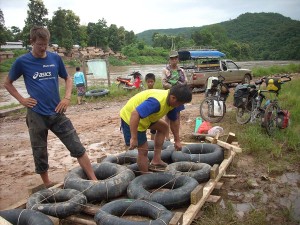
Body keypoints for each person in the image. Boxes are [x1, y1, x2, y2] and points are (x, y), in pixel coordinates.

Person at [3, 26, 97, 187]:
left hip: (57, 111)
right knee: (39, 150)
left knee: (76, 145)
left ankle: (94, 179)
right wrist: (22, 100)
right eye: (39, 44)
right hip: (36, 114)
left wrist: (67, 98)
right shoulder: (22, 62)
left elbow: (67, 78)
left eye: (45, 44)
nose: (43, 48)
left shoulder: (55, 59)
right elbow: (7, 83)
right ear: (32, 42)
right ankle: (47, 183)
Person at [120, 84, 192, 173]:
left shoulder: (173, 102)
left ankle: (156, 160)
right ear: (173, 98)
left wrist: (177, 140)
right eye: (180, 104)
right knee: (143, 150)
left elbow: (174, 121)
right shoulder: (156, 102)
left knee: (164, 127)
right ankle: (145, 177)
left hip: (147, 117)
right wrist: (134, 138)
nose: (180, 106)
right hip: (131, 118)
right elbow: (135, 114)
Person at [162, 50, 187, 140]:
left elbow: (185, 81)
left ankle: (177, 134)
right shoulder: (165, 70)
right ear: (169, 59)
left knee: (178, 115)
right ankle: (167, 135)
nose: (174, 60)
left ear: (178, 59)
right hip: (169, 95)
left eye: (175, 58)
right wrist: (173, 87)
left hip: (179, 96)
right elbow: (164, 83)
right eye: (172, 58)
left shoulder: (181, 71)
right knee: (167, 116)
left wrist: (179, 86)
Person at [145, 73, 156, 140]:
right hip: (146, 112)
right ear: (146, 82)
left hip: (153, 113)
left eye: (151, 82)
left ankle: (152, 140)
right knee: (144, 126)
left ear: (154, 82)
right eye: (148, 82)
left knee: (153, 128)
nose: (150, 83)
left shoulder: (156, 92)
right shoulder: (144, 92)